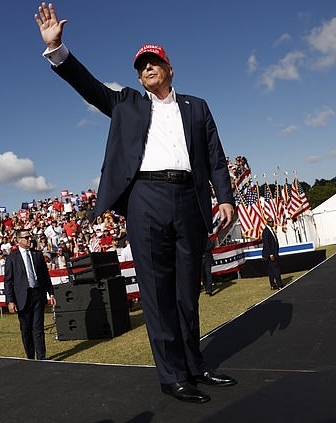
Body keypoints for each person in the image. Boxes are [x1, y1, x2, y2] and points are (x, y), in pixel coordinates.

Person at [34, 3, 236, 403]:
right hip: (145, 198)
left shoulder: (197, 106)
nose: (147, 69)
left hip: (189, 198)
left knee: (186, 292)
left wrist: (225, 198)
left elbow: (215, 155)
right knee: (157, 293)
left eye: (154, 62)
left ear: (169, 68)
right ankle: (171, 375)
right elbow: (88, 85)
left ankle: (195, 365)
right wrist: (58, 49)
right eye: (141, 65)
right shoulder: (125, 102)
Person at [4, 230, 57, 360]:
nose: (30, 239)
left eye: (30, 237)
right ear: (19, 240)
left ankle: (41, 357)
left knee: (38, 328)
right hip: (22, 297)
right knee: (26, 329)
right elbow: (8, 281)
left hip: (38, 294)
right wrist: (10, 301)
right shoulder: (12, 258)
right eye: (26, 237)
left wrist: (51, 293)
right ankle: (30, 356)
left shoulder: (37, 255)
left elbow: (45, 276)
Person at [261, 218, 283, 290]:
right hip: (271, 254)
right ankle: (279, 284)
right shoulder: (266, 232)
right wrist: (270, 254)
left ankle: (273, 285)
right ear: (267, 222)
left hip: (274, 253)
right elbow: (266, 244)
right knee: (276, 269)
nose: (272, 223)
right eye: (270, 222)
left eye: (273, 221)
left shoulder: (271, 230)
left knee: (271, 270)